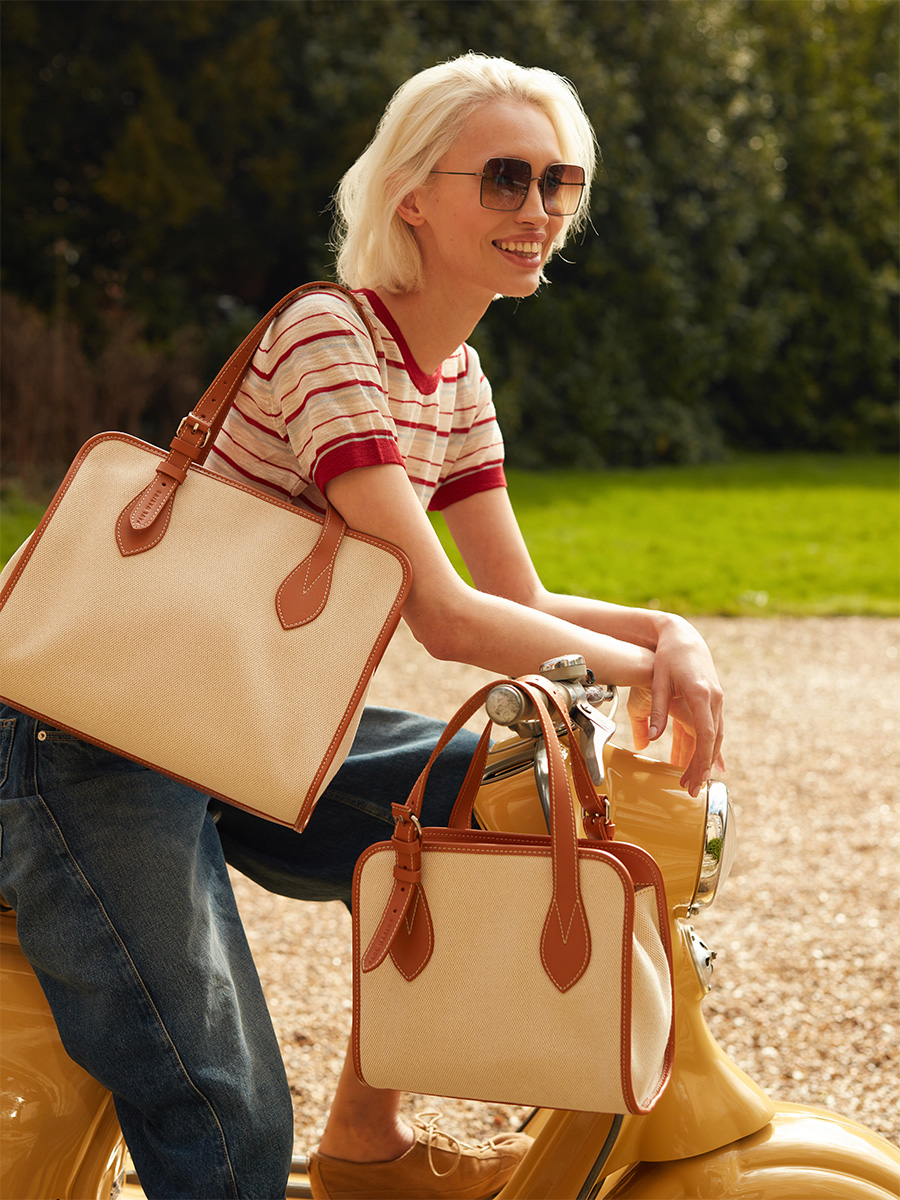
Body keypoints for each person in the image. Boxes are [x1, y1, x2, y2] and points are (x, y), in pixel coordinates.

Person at [0, 53, 723, 1200]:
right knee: (227, 1112)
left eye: (560, 182)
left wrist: (670, 634)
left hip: (242, 718)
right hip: (98, 732)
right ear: (411, 196)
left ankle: (366, 1140)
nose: (538, 209)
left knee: (482, 796)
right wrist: (646, 669)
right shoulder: (327, 334)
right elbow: (445, 615)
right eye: (505, 177)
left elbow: (522, 601)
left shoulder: (455, 377)